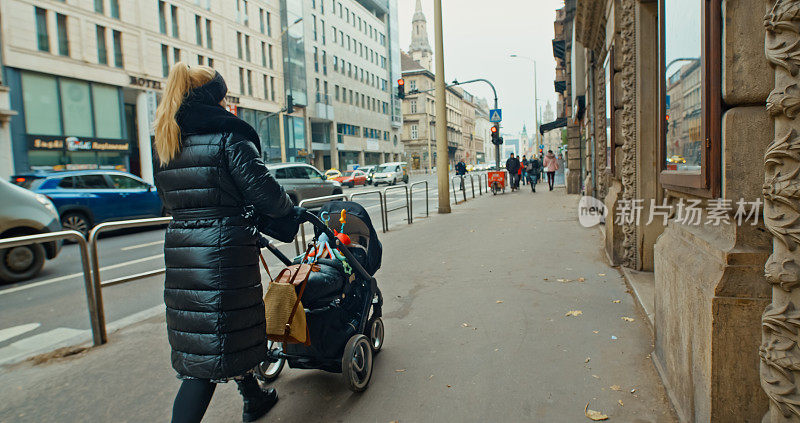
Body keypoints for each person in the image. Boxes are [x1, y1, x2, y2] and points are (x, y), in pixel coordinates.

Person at [153, 63, 299, 423]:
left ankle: (254, 397)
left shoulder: (167, 139)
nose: (227, 103)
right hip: (223, 253)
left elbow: (170, 200)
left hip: (184, 250)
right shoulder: (228, 136)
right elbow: (266, 195)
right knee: (206, 361)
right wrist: (290, 208)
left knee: (220, 334)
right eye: (224, 95)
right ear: (213, 96)